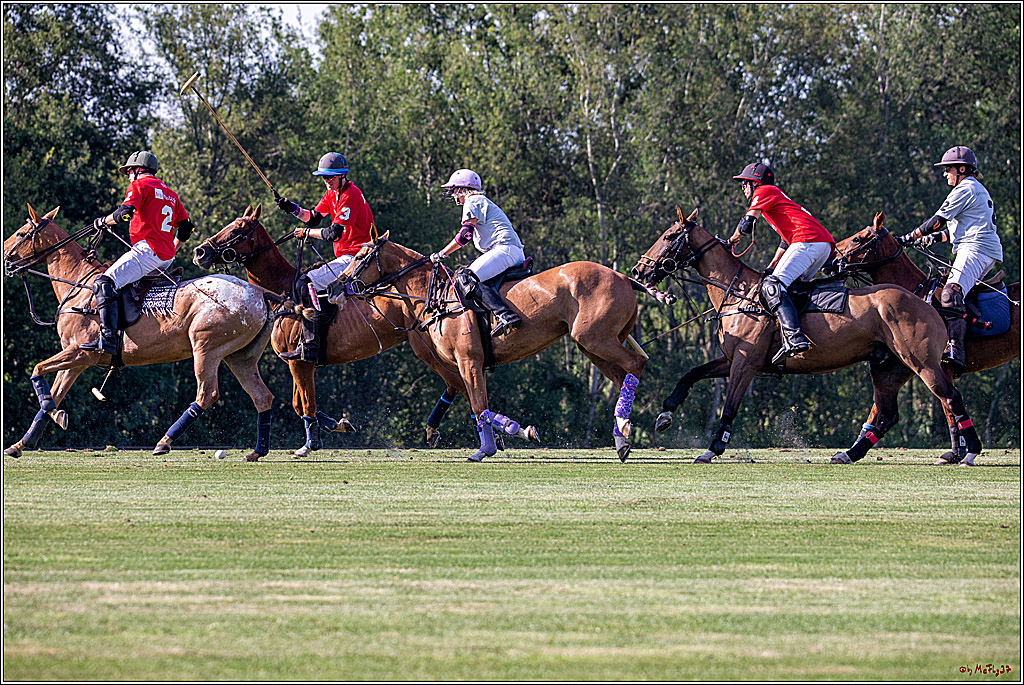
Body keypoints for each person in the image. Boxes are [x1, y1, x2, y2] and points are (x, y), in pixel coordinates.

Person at [897, 146, 1003, 369]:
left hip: (976, 249)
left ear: (962, 169)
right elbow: (954, 230)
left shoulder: (965, 188)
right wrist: (932, 239)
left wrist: (909, 237)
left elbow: (937, 220)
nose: (945, 174)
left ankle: (956, 349)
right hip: (979, 248)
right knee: (948, 289)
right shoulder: (974, 189)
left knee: (950, 294)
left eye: (948, 169)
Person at [82, 151, 194, 354]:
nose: (127, 176)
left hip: (147, 252)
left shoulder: (140, 185)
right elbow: (186, 228)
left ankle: (107, 340)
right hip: (165, 258)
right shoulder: (170, 194)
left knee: (103, 282)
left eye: (128, 172)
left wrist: (102, 221)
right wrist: (172, 248)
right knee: (123, 283)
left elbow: (125, 214)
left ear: (136, 170)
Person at [727, 162, 835, 365]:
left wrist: (730, 240)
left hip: (809, 240)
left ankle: (794, 338)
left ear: (754, 182)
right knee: (788, 287)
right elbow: (785, 240)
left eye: (744, 183)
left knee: (773, 286)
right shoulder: (775, 199)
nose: (743, 188)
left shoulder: (764, 191)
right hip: (821, 244)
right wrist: (772, 265)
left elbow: (747, 224)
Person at [274, 152, 375, 362]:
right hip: (346, 256)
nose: (327, 181)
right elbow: (312, 218)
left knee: (304, 283)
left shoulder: (350, 195)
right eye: (324, 177)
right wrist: (291, 208)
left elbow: (333, 233)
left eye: (331, 177)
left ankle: (310, 346)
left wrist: (305, 233)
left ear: (342, 176)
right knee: (307, 283)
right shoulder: (332, 194)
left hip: (357, 257)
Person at [430, 168, 525, 336]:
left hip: (504, 249)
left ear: (461, 189)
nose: (453, 195)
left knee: (465, 277)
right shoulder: (480, 201)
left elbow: (465, 236)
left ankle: (506, 316)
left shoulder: (473, 201)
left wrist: (442, 253)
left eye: (453, 191)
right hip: (510, 251)